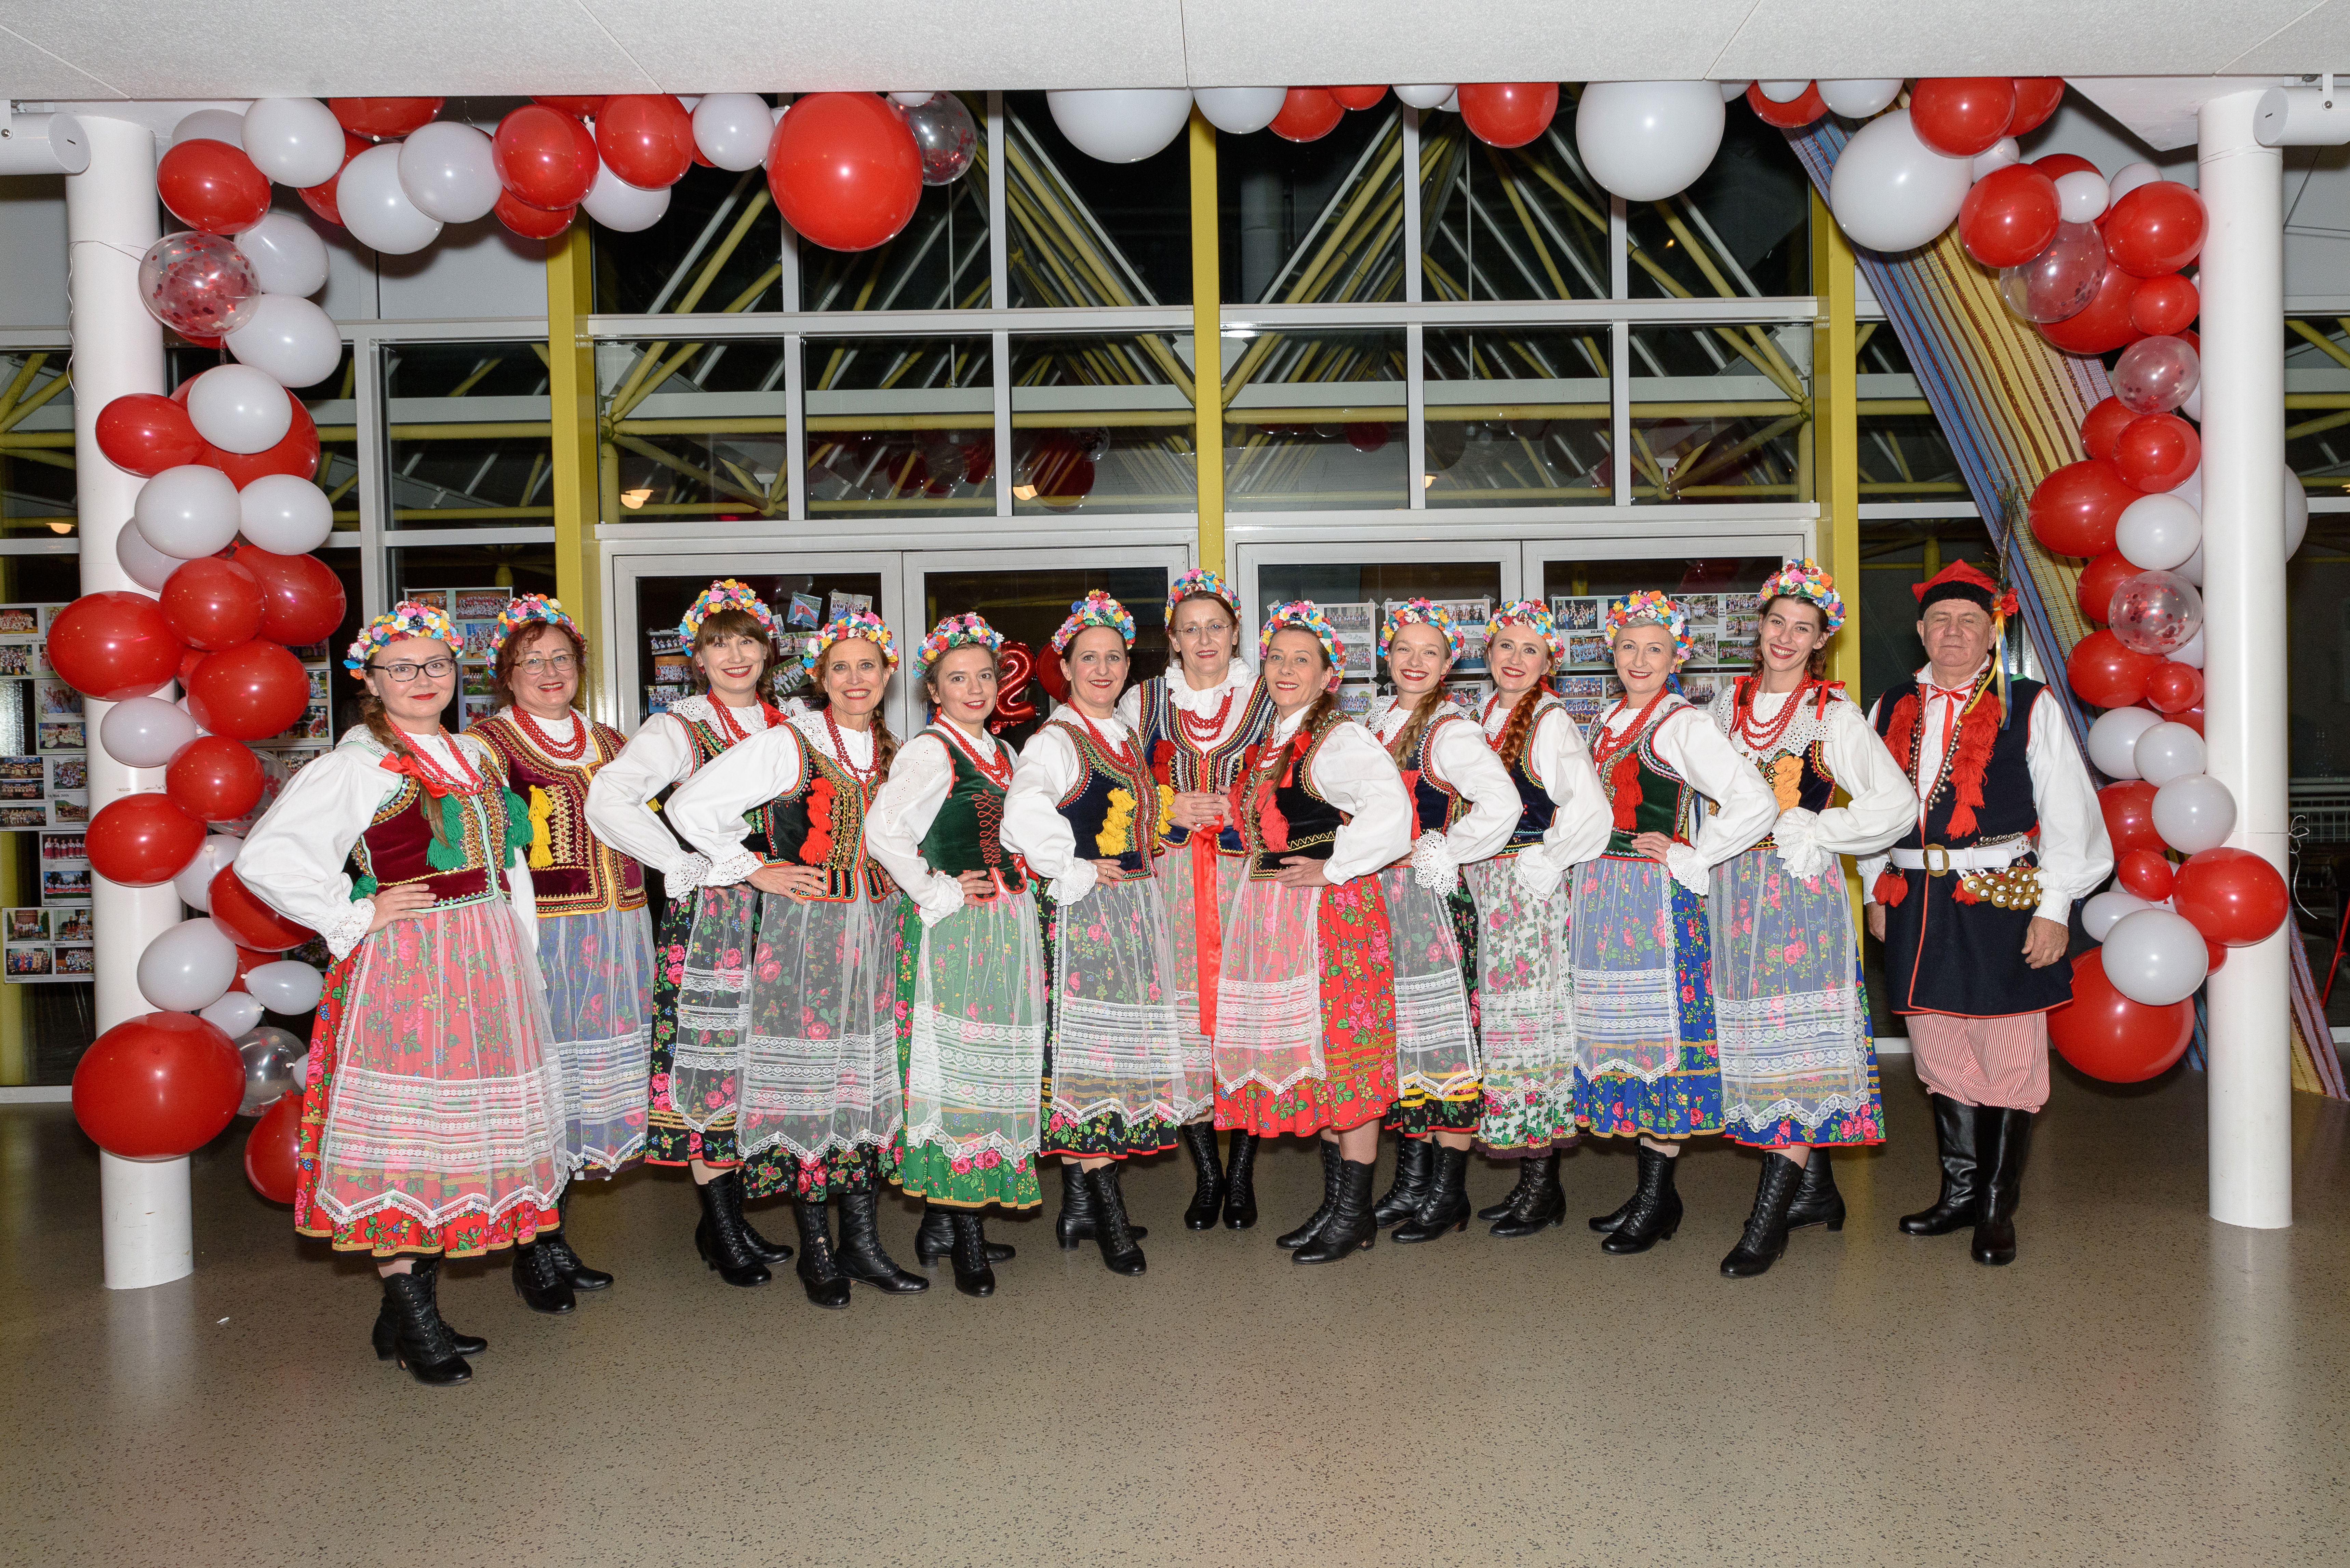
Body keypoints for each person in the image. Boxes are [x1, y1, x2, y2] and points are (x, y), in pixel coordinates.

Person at [237, 601, 564, 1387]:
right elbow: (266, 858)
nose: (424, 680)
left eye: (437, 666)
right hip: (410, 968)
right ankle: (416, 1321)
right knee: (406, 1139)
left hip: (486, 960)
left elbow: (508, 866)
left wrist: (527, 954)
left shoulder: (473, 757)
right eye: (404, 668)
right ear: (372, 682)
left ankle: (404, 1308)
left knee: (455, 1137)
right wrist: (355, 911)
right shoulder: (358, 764)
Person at [663, 608, 927, 1307]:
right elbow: (693, 803)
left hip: (879, 924)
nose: (854, 678)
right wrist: (749, 867)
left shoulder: (896, 747)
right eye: (839, 666)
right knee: (812, 1086)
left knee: (866, 1082)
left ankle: (863, 1242)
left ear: (886, 673)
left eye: (866, 665)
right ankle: (817, 1250)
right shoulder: (792, 742)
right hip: (807, 930)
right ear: (819, 676)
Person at [1858, 560, 2112, 1266]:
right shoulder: (1885, 706)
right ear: (1919, 629)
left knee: (2006, 1049)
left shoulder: (2029, 705)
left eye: (1968, 620)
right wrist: (1875, 882)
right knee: (1937, 1047)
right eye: (1939, 619)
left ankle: (1998, 1204)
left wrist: (2054, 907)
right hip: (1913, 903)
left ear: (1990, 631)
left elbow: (2068, 815)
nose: (1952, 632)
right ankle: (1959, 1192)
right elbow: (1869, 809)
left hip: (2001, 897)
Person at [584, 579, 796, 1288]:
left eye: (746, 640)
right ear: (695, 657)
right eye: (717, 643)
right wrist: (687, 862)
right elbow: (608, 795)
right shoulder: (678, 727)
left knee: (765, 1059)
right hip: (719, 915)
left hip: (789, 913)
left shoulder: (790, 720)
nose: (734, 654)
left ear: (769, 649)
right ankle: (724, 1224)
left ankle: (728, 1216)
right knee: (714, 1062)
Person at [1704, 563, 1913, 1277]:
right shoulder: (1720, 708)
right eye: (1776, 623)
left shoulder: (1833, 713)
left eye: (1803, 628)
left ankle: (1766, 1221)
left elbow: (1894, 802)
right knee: (1762, 1044)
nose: (1786, 638)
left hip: (1797, 894)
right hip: (1732, 892)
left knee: (1794, 1043)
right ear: (1757, 629)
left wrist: (1821, 832)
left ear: (1821, 640)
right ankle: (1816, 1189)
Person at [1573, 591, 1777, 1256]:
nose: (1639, 658)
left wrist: (1696, 851)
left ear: (1675, 656)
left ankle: (1659, 1197)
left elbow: (1752, 798)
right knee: (1624, 1039)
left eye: (1653, 648)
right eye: (1628, 646)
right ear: (1611, 650)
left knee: (1659, 1041)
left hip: (1654, 902)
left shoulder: (1681, 723)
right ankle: (1648, 1189)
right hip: (1606, 895)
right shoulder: (1607, 716)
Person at [466, 594, 652, 1309]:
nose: (548, 672)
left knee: (576, 1096)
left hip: (619, 930)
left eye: (560, 659)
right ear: (506, 674)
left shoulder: (610, 739)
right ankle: (532, 1250)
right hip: (544, 935)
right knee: (541, 1089)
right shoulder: (488, 744)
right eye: (530, 661)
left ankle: (553, 1237)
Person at [1003, 591, 1196, 1275]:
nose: (1104, 667)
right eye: (1090, 657)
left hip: (1130, 912)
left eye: (1114, 656)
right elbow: (1022, 812)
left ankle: (1079, 1206)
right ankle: (1107, 1215)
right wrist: (1075, 868)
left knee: (1111, 1055)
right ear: (1066, 665)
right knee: (1093, 1062)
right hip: (1088, 918)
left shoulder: (1118, 733)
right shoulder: (1054, 740)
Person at [1215, 601, 1412, 1265]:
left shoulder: (1340, 738)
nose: (1286, 668)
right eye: (1277, 657)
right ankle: (1336, 1206)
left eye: (1302, 659)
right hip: (1284, 916)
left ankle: (1354, 1213)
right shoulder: (1277, 735)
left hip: (1332, 918)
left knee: (1346, 1062)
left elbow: (1393, 810)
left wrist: (1336, 867)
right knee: (1322, 1064)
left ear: (1329, 674)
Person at [864, 614, 1045, 1297]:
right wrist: (934, 887)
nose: (975, 687)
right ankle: (962, 1233)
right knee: (962, 1071)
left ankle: (946, 1220)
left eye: (984, 675)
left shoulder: (998, 749)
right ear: (932, 689)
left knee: (990, 1066)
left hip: (1006, 920)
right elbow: (885, 830)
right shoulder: (930, 751)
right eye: (957, 677)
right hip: (963, 930)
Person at [1358, 599, 1520, 1242]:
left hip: (1426, 901)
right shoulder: (1375, 719)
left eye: (1430, 652)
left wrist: (1441, 848)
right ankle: (1412, 1179)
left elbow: (1501, 803)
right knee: (1402, 1041)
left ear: (1451, 661)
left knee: (1446, 1044)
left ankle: (1448, 1192)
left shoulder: (1451, 730)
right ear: (1386, 656)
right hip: (1380, 901)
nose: (1415, 662)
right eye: (1404, 650)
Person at [1118, 569, 1273, 1229]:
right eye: (1191, 629)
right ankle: (1207, 1177)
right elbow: (1111, 788)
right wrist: (1165, 808)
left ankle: (1241, 1176)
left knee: (1249, 1023)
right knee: (1185, 1029)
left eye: (1216, 626)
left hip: (1252, 882)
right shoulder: (1142, 700)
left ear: (1236, 633)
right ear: (1172, 640)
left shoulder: (1271, 694)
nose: (1204, 638)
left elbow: (1309, 778)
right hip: (1172, 886)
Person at [1460, 601, 1611, 1238]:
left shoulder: (1548, 721)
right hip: (1484, 887)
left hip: (1524, 889)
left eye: (1529, 650)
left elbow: (1591, 811)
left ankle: (1543, 1187)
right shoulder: (1481, 717)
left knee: (1531, 1028)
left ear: (1549, 662)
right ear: (1488, 653)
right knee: (1503, 1030)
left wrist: (1548, 861)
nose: (1514, 660)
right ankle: (1529, 1179)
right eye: (1505, 647)